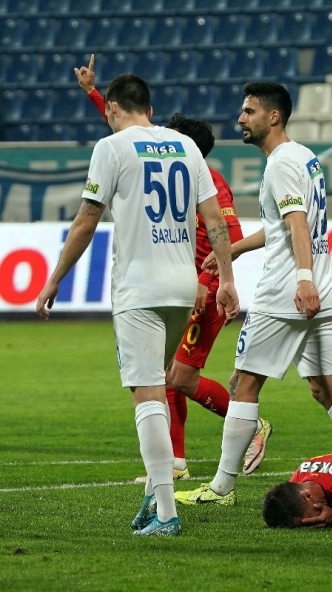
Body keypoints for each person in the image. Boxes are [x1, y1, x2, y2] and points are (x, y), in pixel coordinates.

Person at [36, 73, 239, 536]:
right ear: (149, 106)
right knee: (160, 385)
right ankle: (154, 495)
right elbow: (216, 220)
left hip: (139, 290)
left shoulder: (111, 147)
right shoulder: (185, 147)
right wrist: (226, 279)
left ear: (110, 108)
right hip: (182, 287)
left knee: (146, 392)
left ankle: (165, 512)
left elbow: (87, 221)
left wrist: (54, 280)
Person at [73, 55, 273, 479]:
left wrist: (212, 279)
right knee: (166, 376)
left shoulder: (211, 181)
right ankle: (176, 461)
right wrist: (95, 92)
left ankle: (250, 421)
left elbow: (229, 233)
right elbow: (126, 133)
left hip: (203, 289)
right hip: (184, 284)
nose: (157, 139)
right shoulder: (165, 157)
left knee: (178, 377)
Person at [176, 81, 332, 507]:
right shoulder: (305, 158)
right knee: (327, 387)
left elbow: (298, 222)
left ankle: (221, 489)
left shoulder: (280, 163)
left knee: (245, 384)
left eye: (248, 112)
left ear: (273, 116)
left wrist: (301, 277)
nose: (241, 119)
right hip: (316, 288)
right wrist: (233, 250)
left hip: (287, 293)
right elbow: (283, 224)